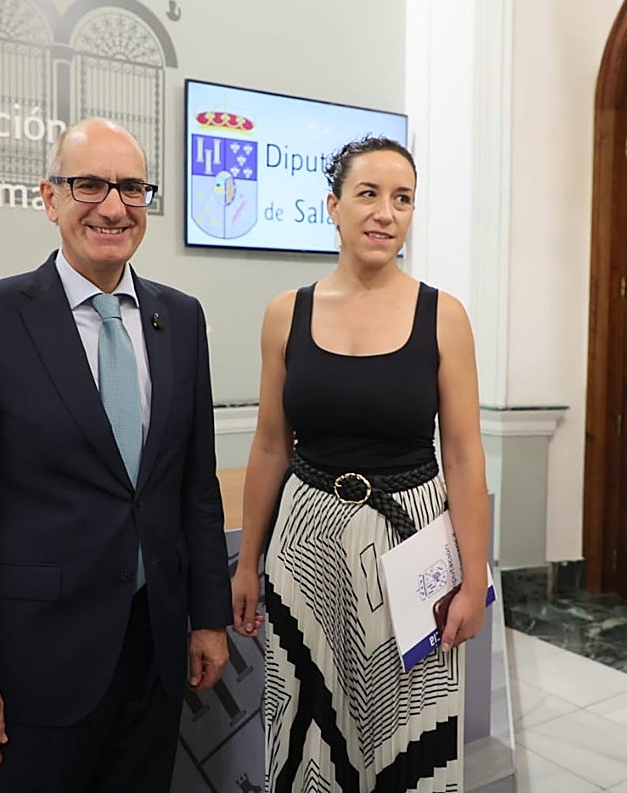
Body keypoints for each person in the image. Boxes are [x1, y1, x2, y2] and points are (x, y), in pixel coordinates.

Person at [0, 118, 231, 791]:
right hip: (36, 670)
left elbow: (193, 488)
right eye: (89, 185)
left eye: (131, 188)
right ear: (49, 197)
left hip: (153, 658)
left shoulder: (181, 318)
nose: (113, 207)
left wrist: (206, 618)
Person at [230, 136, 492, 790]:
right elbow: (269, 444)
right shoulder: (285, 314)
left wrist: (473, 577)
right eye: (368, 194)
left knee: (407, 727)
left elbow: (462, 454)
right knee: (306, 725)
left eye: (402, 199)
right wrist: (246, 561)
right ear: (333, 207)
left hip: (413, 547)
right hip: (306, 541)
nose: (385, 213)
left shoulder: (445, 315)